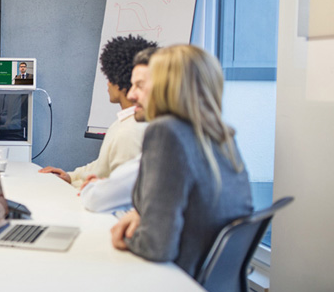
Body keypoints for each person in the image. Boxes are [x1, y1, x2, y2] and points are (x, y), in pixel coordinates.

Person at [110, 45, 253, 278]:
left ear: (167, 86)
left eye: (141, 86)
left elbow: (155, 246)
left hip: (175, 288)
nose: (130, 95)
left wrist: (125, 232)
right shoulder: (220, 135)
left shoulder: (166, 132)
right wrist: (145, 214)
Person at [39, 35, 155, 188]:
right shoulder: (123, 123)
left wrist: (75, 184)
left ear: (119, 81)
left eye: (108, 77)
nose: (107, 84)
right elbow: (102, 164)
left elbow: (115, 190)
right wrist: (71, 177)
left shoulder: (129, 132)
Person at [78, 47, 157, 213]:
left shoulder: (131, 132)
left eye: (139, 86)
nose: (132, 94)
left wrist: (96, 186)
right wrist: (72, 176)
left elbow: (102, 198)